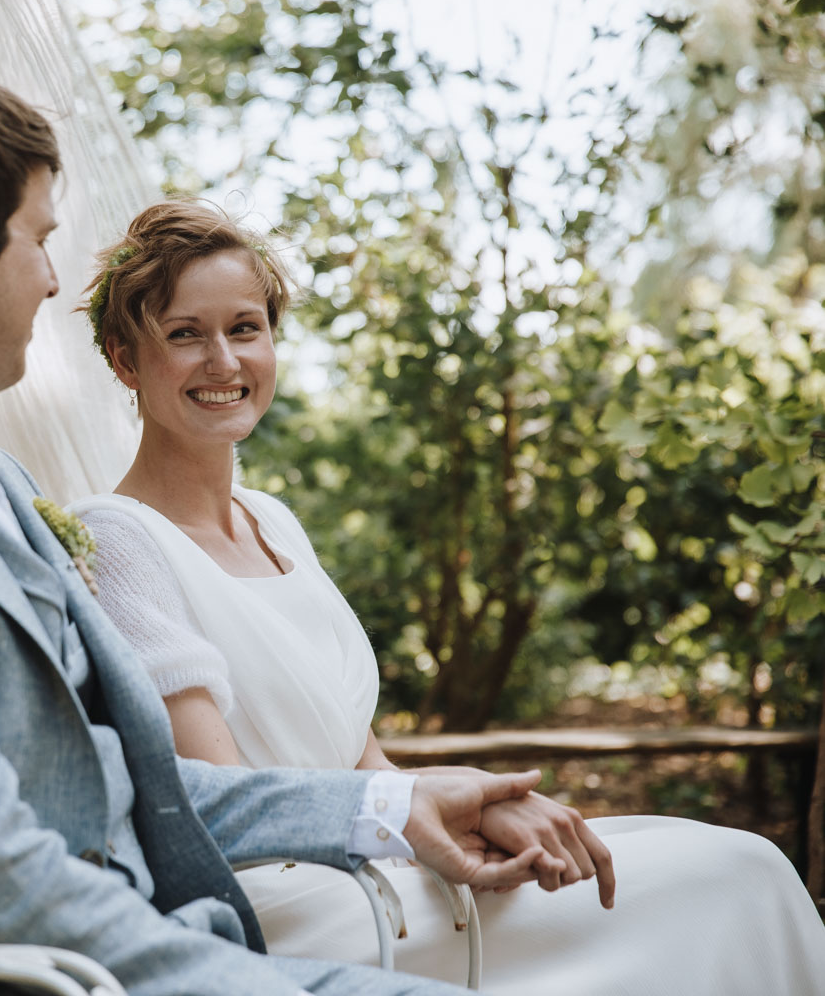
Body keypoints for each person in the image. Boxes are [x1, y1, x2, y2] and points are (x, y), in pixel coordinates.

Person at [0, 58, 605, 996]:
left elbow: (140, 788)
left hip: (123, 952)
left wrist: (396, 801)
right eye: (38, 240)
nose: (52, 279)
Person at [69, 198, 825, 994]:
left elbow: (364, 759)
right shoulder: (117, 539)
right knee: (727, 876)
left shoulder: (274, 523)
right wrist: (417, 811)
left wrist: (475, 809)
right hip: (296, 903)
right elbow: (224, 806)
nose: (224, 360)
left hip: (381, 851)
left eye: (245, 328)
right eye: (185, 334)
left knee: (733, 863)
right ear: (125, 360)